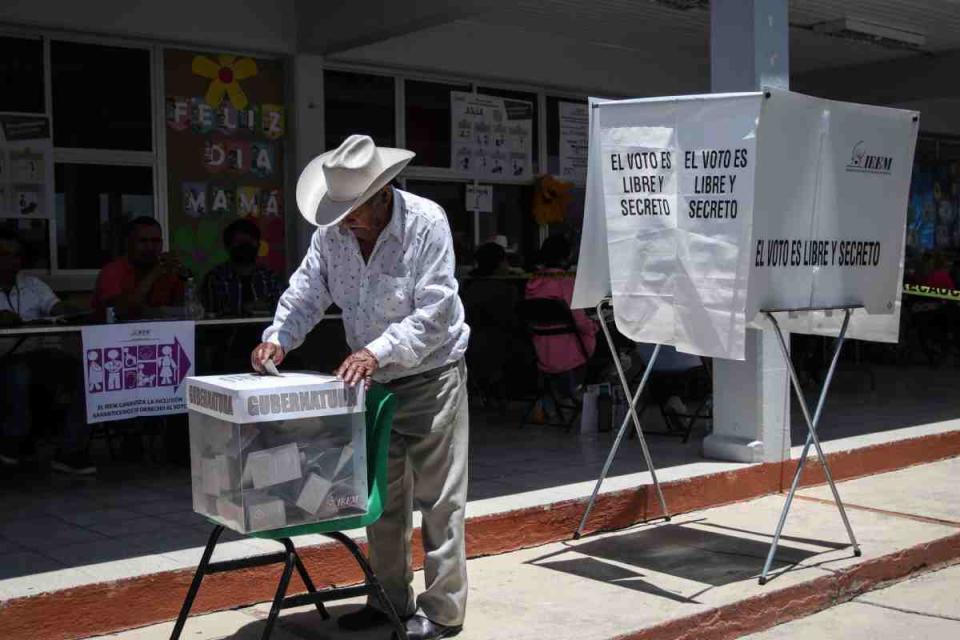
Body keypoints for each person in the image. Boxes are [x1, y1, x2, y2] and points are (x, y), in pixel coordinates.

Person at [251, 135, 470, 640]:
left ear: (383, 192)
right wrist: (279, 339)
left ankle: (443, 613)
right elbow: (307, 290)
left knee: (440, 501)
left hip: (432, 376)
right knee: (382, 499)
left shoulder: (426, 223)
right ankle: (388, 599)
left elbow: (435, 311)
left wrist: (378, 351)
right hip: (372, 383)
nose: (347, 219)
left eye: (355, 209)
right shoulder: (331, 234)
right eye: (340, 209)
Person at [0, 230, 94, 474]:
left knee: (86, 372)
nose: (12, 261)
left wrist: (69, 309)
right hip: (5, 359)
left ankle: (70, 451)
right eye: (5, 255)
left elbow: (54, 306)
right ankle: (11, 444)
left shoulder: (32, 284)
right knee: (18, 372)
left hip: (37, 355)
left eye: (16, 256)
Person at [525, 235, 598, 393]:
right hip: (572, 352)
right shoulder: (565, 282)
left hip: (541, 352)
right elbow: (581, 322)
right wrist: (594, 325)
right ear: (567, 256)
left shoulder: (532, 282)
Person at [460, 242, 518, 412]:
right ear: (500, 263)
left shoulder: (469, 285)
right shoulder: (505, 289)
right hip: (496, 350)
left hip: (469, 349)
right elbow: (512, 321)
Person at [91, 216, 185, 320]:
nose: (150, 247)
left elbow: (186, 311)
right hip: (116, 333)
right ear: (129, 243)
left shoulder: (167, 269)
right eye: (143, 241)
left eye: (155, 241)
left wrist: (183, 278)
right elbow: (118, 311)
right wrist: (153, 275)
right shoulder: (112, 271)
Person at [201, 218, 285, 317]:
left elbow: (284, 312)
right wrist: (243, 309)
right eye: (240, 242)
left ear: (258, 246)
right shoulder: (215, 278)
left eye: (250, 242)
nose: (245, 247)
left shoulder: (270, 278)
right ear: (228, 246)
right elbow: (210, 317)